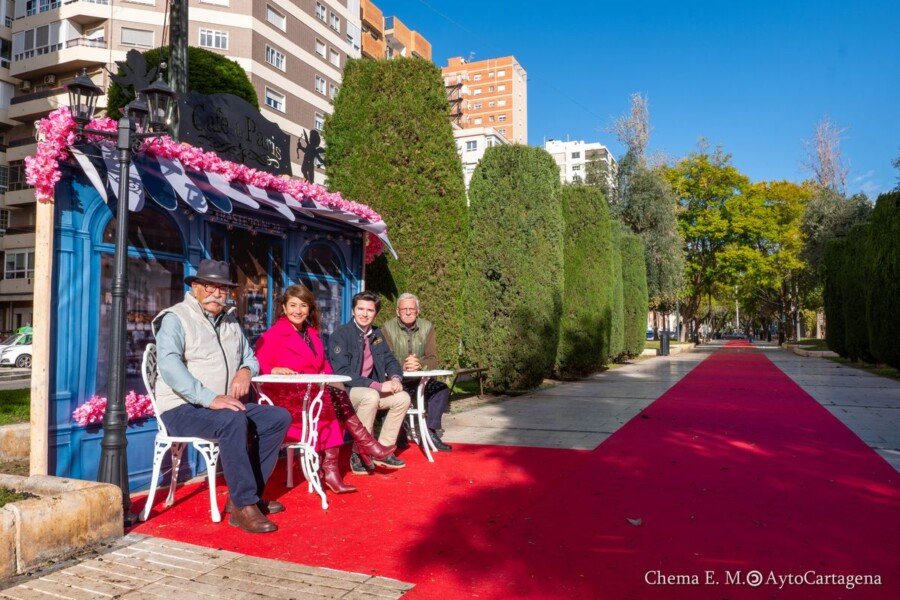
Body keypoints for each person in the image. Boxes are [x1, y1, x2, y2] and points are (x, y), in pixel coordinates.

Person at [152, 259, 291, 534]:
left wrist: (245, 371)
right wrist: (209, 398)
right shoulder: (176, 318)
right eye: (210, 286)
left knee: (278, 418)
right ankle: (244, 505)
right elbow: (169, 366)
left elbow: (250, 357)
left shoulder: (230, 320)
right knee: (232, 420)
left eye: (223, 288)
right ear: (195, 287)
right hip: (181, 407)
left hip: (223, 406)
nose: (217, 293)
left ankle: (244, 497)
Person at [254, 284, 396, 494]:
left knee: (334, 399)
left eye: (303, 305)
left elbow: (323, 366)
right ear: (283, 308)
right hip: (288, 401)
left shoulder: (312, 334)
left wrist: (333, 380)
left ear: (309, 309)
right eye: (293, 305)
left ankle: (335, 467)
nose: (298, 310)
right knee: (332, 404)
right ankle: (362, 445)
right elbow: (257, 364)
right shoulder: (273, 335)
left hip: (312, 396)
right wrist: (273, 369)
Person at [327, 291, 410, 474]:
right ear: (353, 310)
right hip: (345, 392)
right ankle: (360, 452)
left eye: (370, 310)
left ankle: (383, 450)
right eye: (360, 309)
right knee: (371, 396)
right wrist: (379, 386)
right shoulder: (340, 335)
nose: (364, 314)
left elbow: (391, 360)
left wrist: (395, 378)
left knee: (403, 397)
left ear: (376, 313)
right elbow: (342, 372)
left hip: (369, 391)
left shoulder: (377, 334)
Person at [382, 293, 452, 452]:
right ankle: (399, 431)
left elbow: (433, 358)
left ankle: (430, 431)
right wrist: (404, 365)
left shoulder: (427, 327)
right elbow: (384, 358)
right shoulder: (387, 328)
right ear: (397, 311)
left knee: (441, 389)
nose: (408, 312)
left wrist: (419, 364)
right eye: (404, 309)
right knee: (390, 396)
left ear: (417, 311)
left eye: (411, 309)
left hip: (421, 380)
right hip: (397, 380)